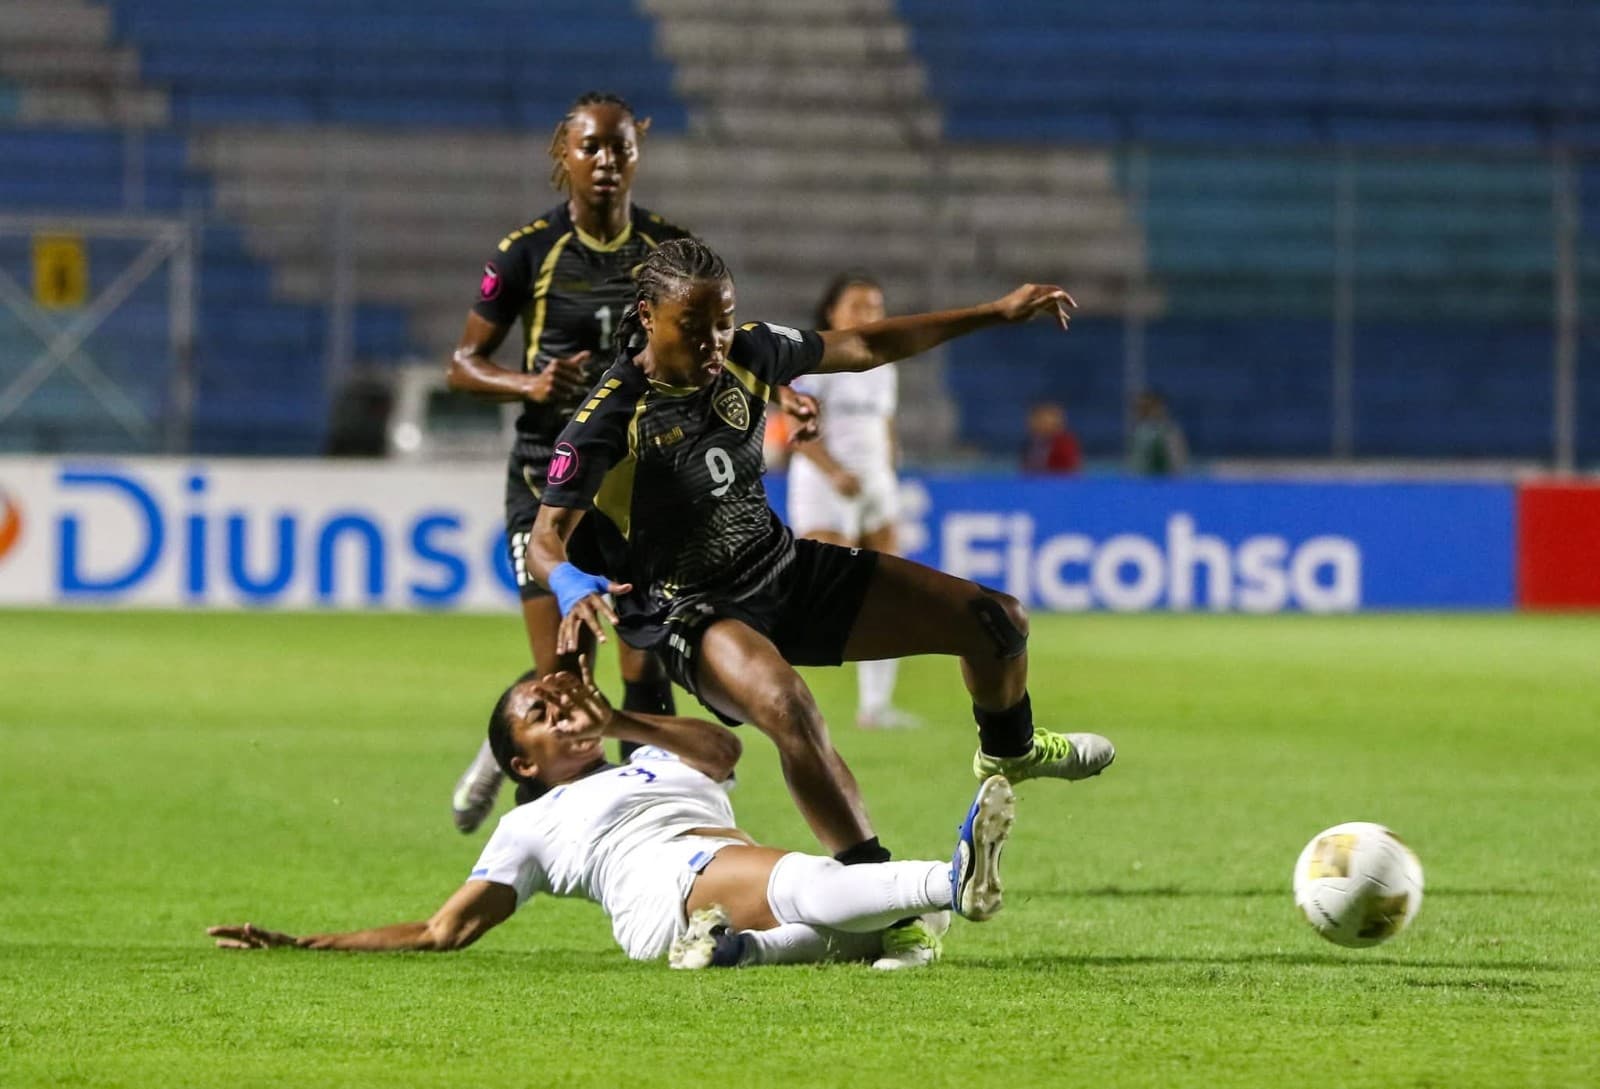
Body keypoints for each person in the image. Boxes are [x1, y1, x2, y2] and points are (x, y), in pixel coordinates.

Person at [525, 238, 1115, 903]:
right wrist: (574, 585)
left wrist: (993, 313)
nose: (713, 339)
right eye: (693, 327)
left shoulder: (748, 352)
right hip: (697, 610)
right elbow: (544, 539)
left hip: (783, 568)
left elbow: (863, 347)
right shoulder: (606, 418)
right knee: (789, 707)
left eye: (722, 319)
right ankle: (878, 899)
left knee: (998, 621)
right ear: (647, 316)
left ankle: (1010, 748)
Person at [443, 91, 816, 832]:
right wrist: (531, 383)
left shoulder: (667, 249)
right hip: (545, 478)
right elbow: (462, 364)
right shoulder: (527, 253)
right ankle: (520, 788)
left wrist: (782, 388)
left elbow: (725, 337)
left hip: (639, 485)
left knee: (645, 652)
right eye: (591, 148)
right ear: (566, 156)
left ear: (637, 154)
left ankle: (672, 809)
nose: (607, 162)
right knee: (563, 669)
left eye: (621, 148)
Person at [207, 666, 1018, 970]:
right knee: (811, 877)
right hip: (667, 881)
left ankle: (738, 956)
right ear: (522, 763)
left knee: (842, 931)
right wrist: (303, 942)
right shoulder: (530, 822)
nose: (560, 707)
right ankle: (952, 880)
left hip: (712, 886)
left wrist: (623, 721)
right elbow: (442, 930)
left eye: (562, 697)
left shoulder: (652, 756)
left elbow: (726, 752)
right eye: (539, 710)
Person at [786, 272, 919, 730]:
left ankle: (875, 707)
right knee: (823, 596)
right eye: (858, 307)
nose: (869, 316)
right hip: (826, 484)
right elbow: (796, 429)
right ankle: (771, 697)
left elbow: (883, 425)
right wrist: (833, 471)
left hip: (874, 483)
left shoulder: (885, 364)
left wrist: (887, 469)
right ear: (832, 312)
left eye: (876, 308)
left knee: (888, 592)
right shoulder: (819, 359)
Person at [1129, 391, 1187, 476]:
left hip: (1161, 481)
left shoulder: (1168, 431)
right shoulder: (1141, 431)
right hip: (1143, 480)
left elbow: (1178, 464)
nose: (1139, 412)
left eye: (1145, 408)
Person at [1021, 401, 1082, 474]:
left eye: (1043, 420)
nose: (1033, 423)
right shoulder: (1030, 444)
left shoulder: (1064, 445)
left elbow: (1069, 472)